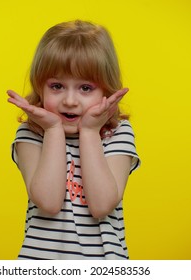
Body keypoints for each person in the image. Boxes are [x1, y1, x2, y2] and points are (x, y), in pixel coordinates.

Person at [7, 20, 140, 260]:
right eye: (57, 86)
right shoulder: (31, 134)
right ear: (40, 86)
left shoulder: (118, 134)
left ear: (106, 91)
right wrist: (54, 130)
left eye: (85, 88)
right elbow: (48, 202)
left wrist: (89, 133)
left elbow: (101, 205)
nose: (69, 100)